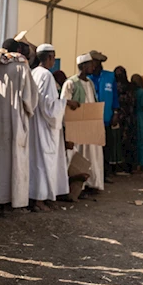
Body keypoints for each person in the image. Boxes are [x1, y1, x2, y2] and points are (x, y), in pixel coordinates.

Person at [0, 38, 38, 210]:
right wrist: (29, 110)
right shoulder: (21, 66)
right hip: (16, 118)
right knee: (16, 159)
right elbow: (29, 96)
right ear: (18, 50)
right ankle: (15, 199)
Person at [29, 44, 78, 211]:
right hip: (44, 126)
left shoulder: (34, 72)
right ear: (50, 57)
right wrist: (65, 103)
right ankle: (39, 199)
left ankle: (43, 197)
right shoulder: (46, 76)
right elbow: (49, 106)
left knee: (36, 162)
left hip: (35, 123)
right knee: (44, 162)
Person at [61, 54, 104, 194]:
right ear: (83, 66)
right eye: (91, 65)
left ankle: (92, 184)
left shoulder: (90, 83)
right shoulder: (70, 83)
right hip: (78, 126)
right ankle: (79, 187)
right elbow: (63, 104)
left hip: (91, 126)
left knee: (93, 156)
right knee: (79, 156)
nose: (93, 67)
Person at [88, 51, 119, 182]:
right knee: (93, 148)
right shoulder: (87, 78)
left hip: (106, 118)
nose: (94, 65)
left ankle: (105, 175)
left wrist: (115, 113)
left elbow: (115, 96)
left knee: (106, 147)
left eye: (96, 62)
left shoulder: (110, 76)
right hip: (91, 119)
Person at [114, 67, 137, 173]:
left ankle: (124, 165)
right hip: (126, 117)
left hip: (122, 117)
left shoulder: (119, 86)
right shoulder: (130, 86)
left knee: (123, 141)